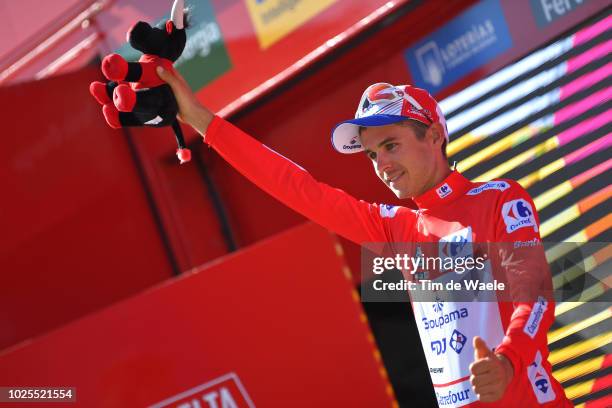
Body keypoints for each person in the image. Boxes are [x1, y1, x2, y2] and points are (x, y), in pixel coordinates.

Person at [155, 66, 573, 407]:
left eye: (391, 145)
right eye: (373, 154)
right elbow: (295, 186)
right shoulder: (395, 227)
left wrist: (507, 362)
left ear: (434, 135)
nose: (381, 165)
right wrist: (199, 120)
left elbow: (534, 297)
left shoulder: (499, 200)